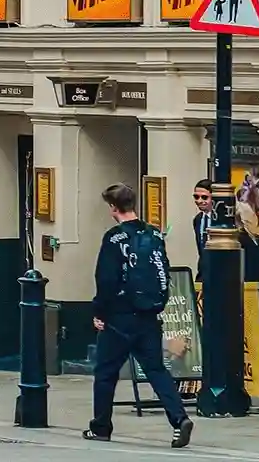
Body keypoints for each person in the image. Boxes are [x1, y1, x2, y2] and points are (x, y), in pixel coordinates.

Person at [85, 183, 193, 450]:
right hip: (149, 315)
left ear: (113, 207)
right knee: (156, 369)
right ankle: (179, 420)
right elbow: (162, 270)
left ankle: (101, 427)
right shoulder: (153, 235)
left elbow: (106, 280)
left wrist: (99, 312)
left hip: (119, 317)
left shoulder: (113, 239)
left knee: (106, 372)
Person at [191, 179, 214, 268]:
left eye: (204, 197)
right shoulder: (198, 220)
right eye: (196, 197)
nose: (199, 201)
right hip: (203, 270)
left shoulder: (221, 219)